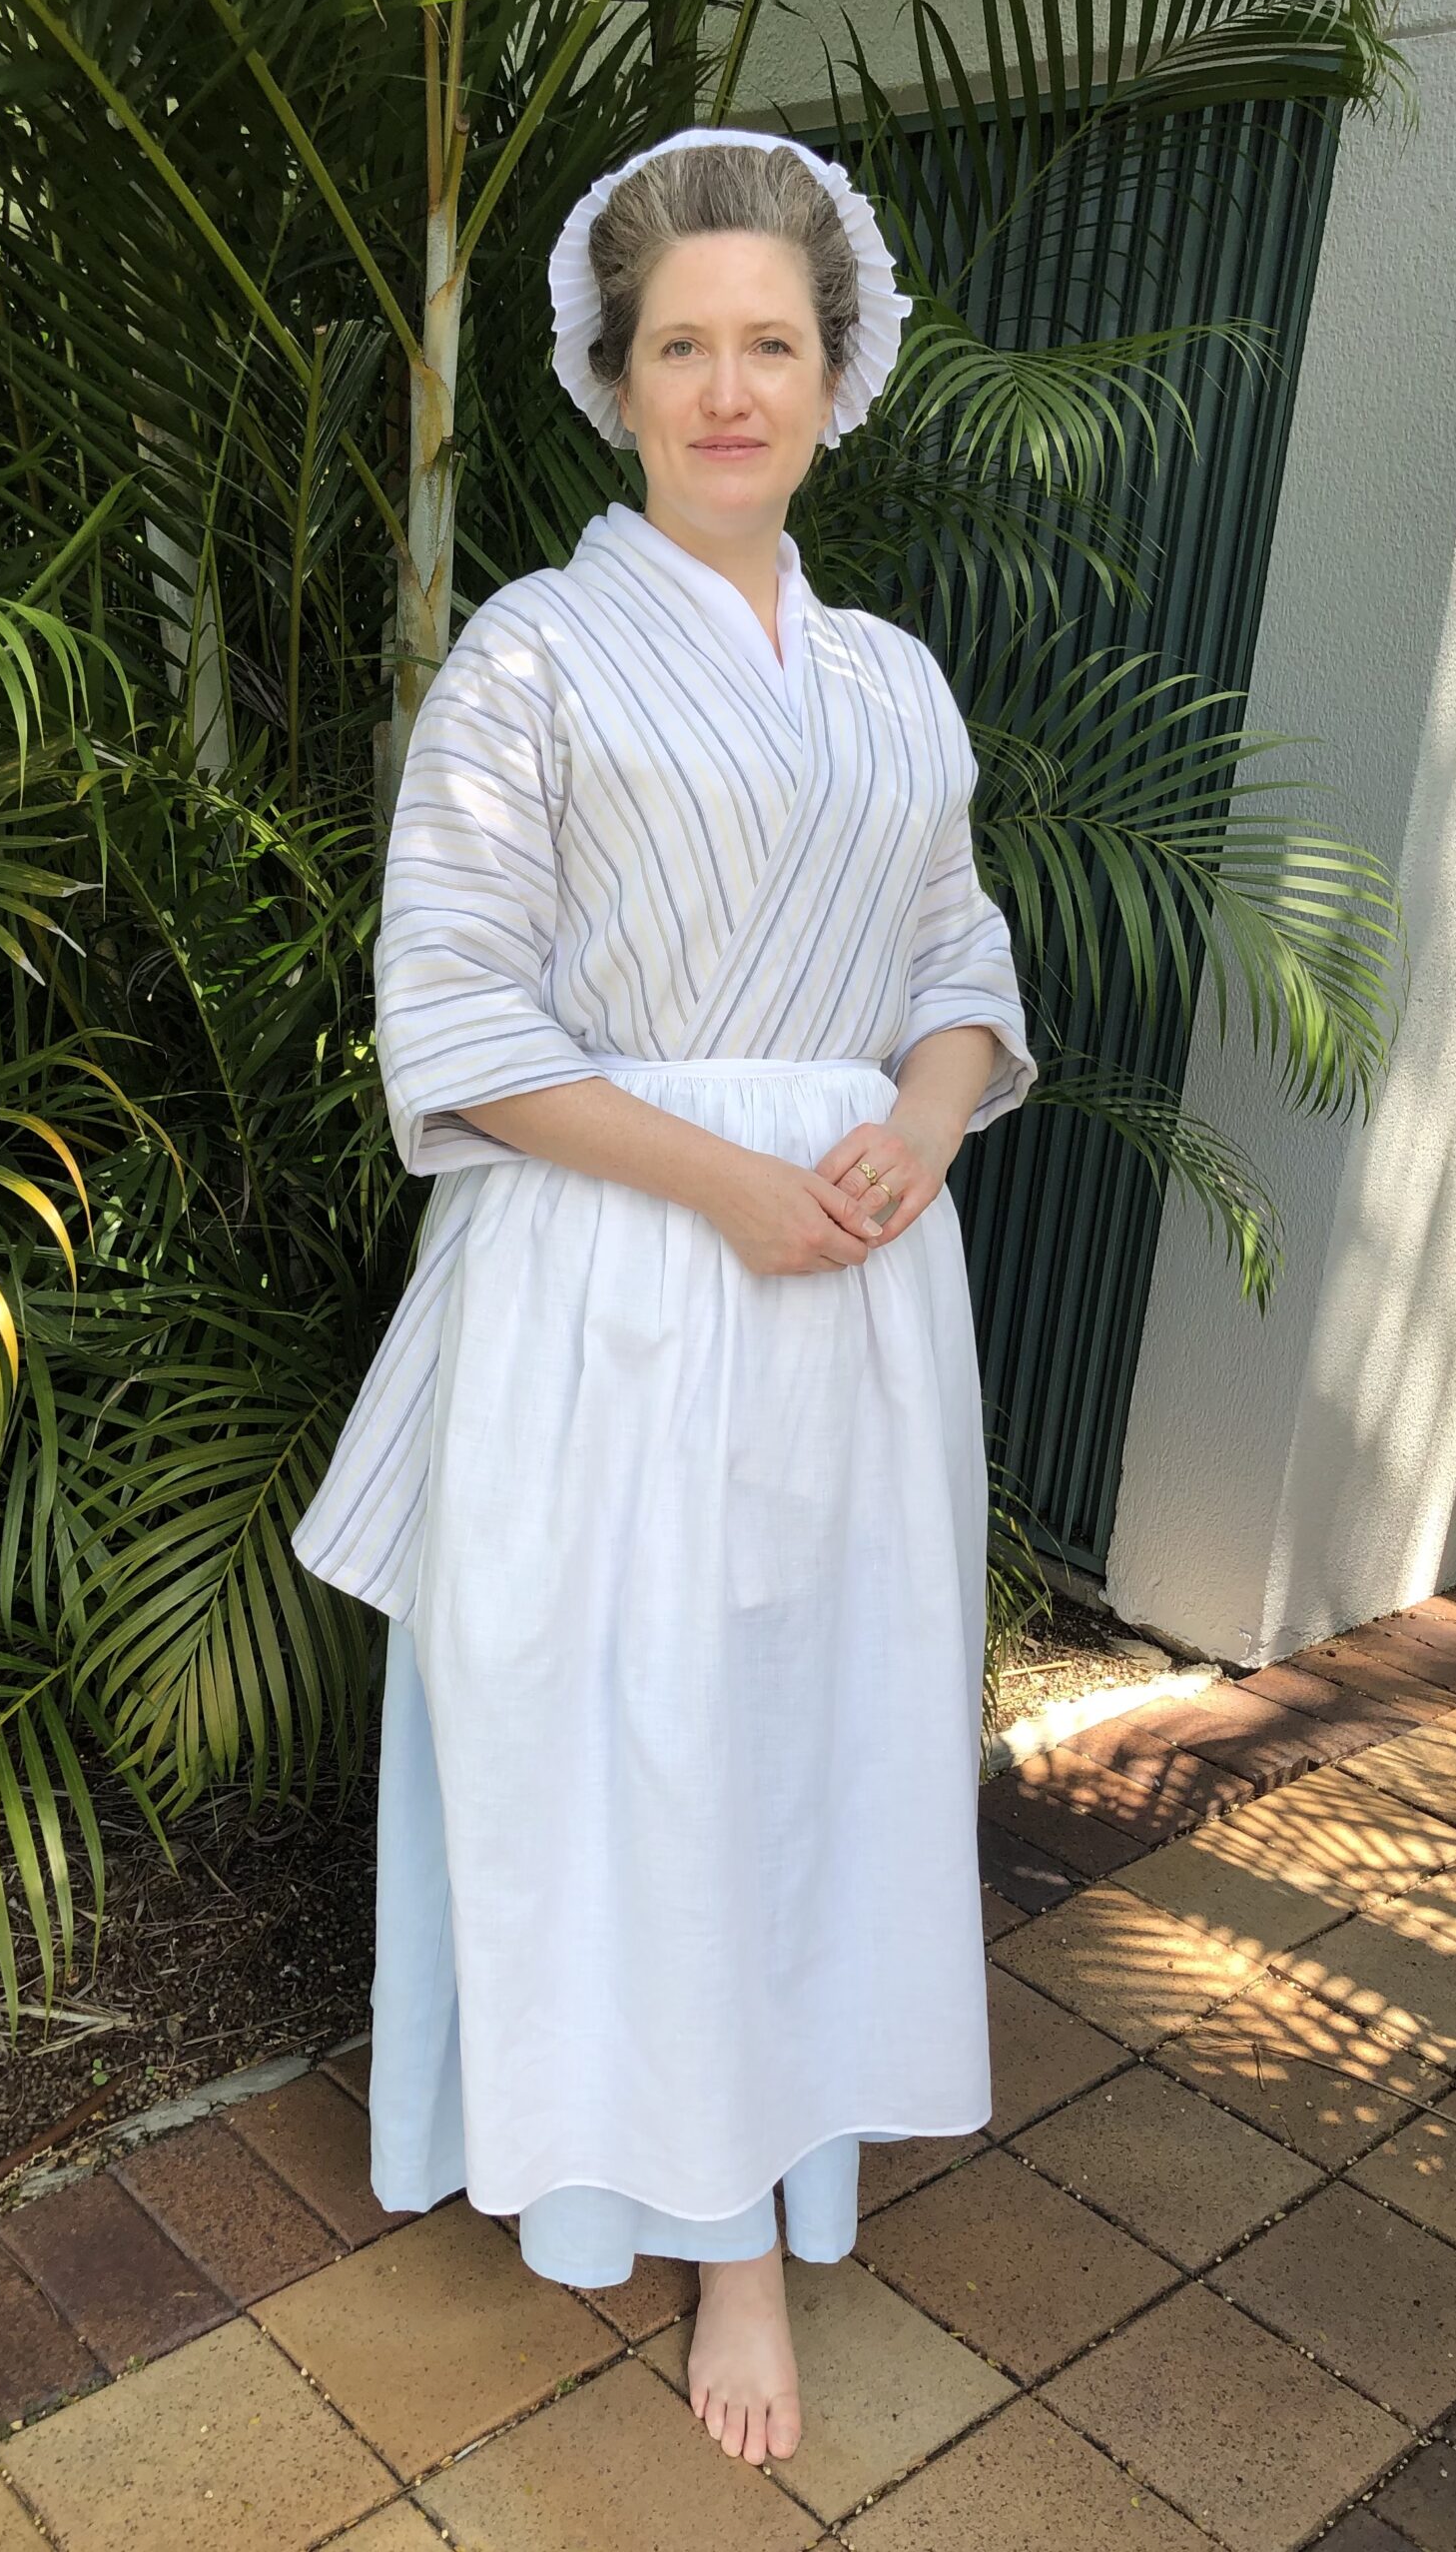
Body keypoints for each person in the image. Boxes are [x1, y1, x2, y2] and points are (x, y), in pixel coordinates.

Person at [292, 127, 1040, 2471]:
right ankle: (647, 2176)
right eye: (684, 346)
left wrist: (923, 1114)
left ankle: (751, 2217)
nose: (731, 387)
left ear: (842, 372)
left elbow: (957, 955)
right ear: (612, 379)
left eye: (773, 344)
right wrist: (727, 1183)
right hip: (620, 1279)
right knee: (622, 1734)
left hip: (852, 1289)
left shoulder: (898, 681)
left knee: (804, 1729)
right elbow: (462, 1010)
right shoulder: (531, 650)